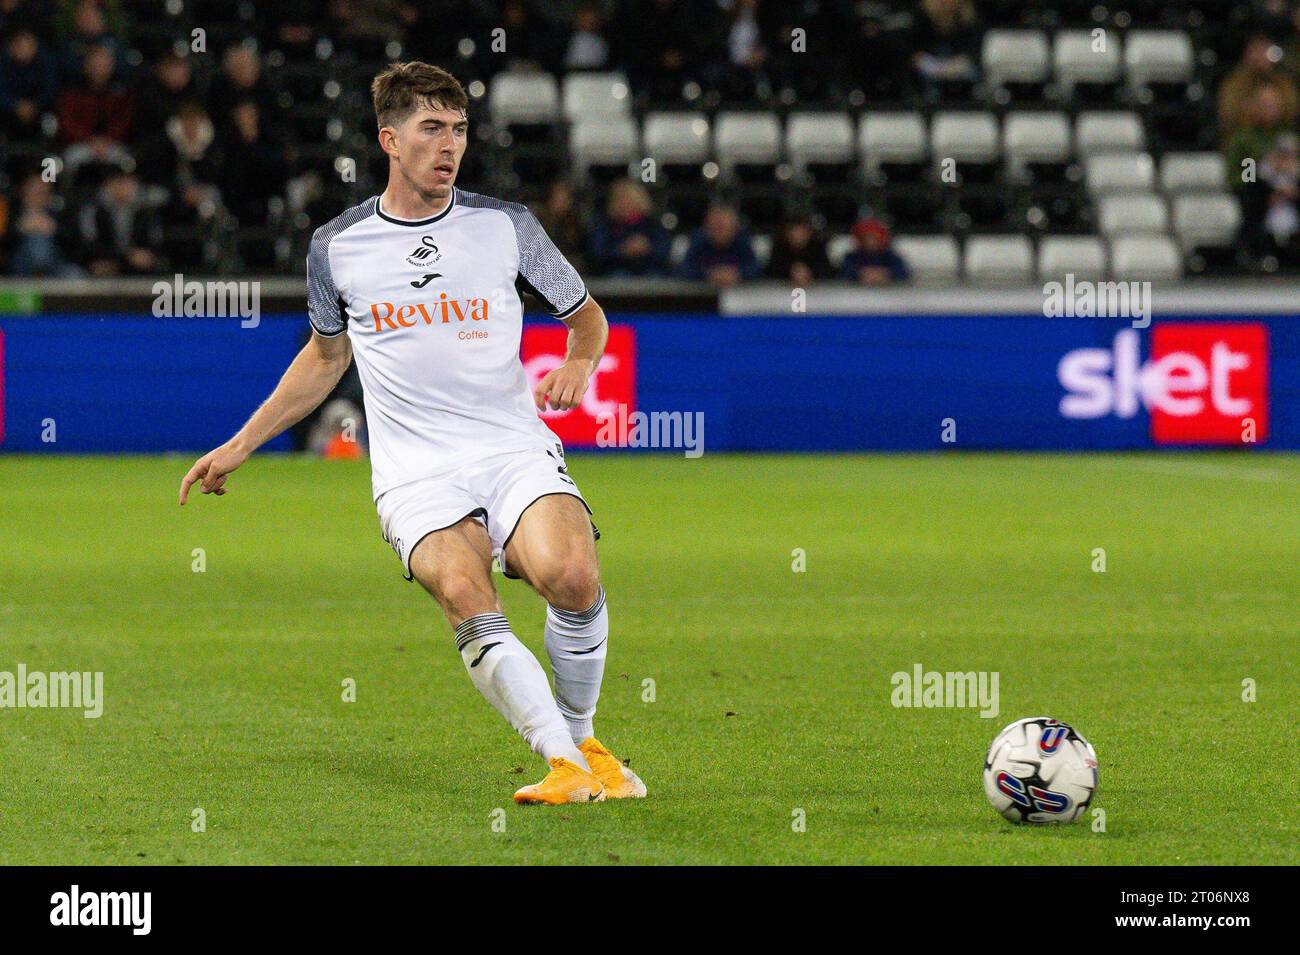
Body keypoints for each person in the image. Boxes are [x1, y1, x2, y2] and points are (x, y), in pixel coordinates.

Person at [179, 62, 645, 807]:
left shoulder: (506, 226)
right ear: (389, 139)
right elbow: (326, 356)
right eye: (431, 128)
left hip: (510, 448)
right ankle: (560, 760)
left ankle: (587, 739)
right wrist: (241, 443)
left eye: (458, 129)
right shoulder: (339, 245)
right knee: (465, 588)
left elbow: (586, 318)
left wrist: (580, 363)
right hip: (416, 472)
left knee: (573, 576)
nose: (449, 144)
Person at [587, 178, 670, 276]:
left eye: (629, 198)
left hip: (650, 270)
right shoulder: (604, 225)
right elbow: (597, 253)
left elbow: (664, 252)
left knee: (655, 278)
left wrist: (646, 248)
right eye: (620, 199)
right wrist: (622, 250)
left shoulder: (652, 225)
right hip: (615, 272)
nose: (624, 203)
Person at [678, 203, 761, 286]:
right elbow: (685, 269)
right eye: (714, 227)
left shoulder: (742, 242)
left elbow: (755, 269)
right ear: (706, 227)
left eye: (723, 227)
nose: (719, 231)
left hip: (738, 293)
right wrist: (708, 275)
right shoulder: (698, 241)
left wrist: (738, 274)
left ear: (735, 228)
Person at [765, 213, 833, 284]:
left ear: (809, 232)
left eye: (803, 232)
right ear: (787, 233)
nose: (799, 236)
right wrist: (791, 271)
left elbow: (827, 271)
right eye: (795, 231)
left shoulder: (817, 247)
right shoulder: (779, 247)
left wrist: (809, 272)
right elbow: (771, 271)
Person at [840, 218, 910, 285]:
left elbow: (903, 274)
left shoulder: (891, 257)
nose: (870, 242)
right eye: (865, 237)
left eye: (874, 237)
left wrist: (885, 274)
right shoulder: (851, 257)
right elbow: (844, 273)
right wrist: (861, 274)